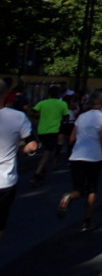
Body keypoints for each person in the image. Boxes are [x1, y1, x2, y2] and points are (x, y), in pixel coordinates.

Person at [57, 92, 102, 232]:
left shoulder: (81, 117)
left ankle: (69, 196)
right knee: (91, 189)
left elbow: (72, 138)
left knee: (78, 189)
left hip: (77, 155)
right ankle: (87, 221)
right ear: (101, 104)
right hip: (94, 156)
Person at [0, 80, 38, 242]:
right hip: (5, 182)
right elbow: (33, 145)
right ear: (6, 94)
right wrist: (20, 150)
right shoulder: (18, 117)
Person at [30, 85, 69, 188]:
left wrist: (39, 117)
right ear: (59, 94)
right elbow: (66, 117)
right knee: (47, 152)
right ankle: (37, 173)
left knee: (46, 150)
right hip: (53, 130)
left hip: (41, 130)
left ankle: (42, 171)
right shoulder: (62, 104)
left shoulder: (42, 103)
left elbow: (33, 112)